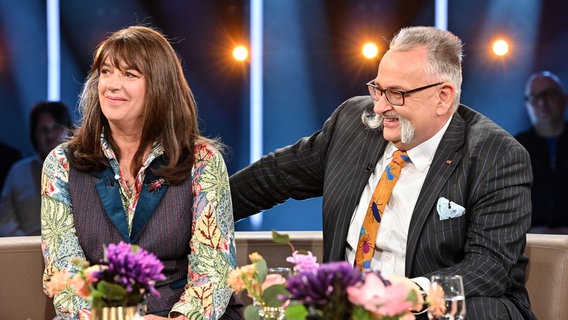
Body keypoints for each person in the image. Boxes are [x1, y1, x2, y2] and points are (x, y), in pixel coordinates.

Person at [230, 26, 536, 319]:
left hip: (435, 309)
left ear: (443, 97)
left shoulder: (495, 156)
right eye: (378, 89)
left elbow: (490, 266)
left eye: (396, 94)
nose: (379, 107)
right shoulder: (353, 124)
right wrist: (198, 213)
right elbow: (274, 177)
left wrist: (412, 293)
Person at [40, 26, 240, 320]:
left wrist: (179, 318)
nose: (111, 85)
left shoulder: (202, 161)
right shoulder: (62, 164)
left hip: (181, 313)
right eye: (106, 72)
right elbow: (65, 270)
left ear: (160, 85)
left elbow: (213, 268)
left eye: (129, 75)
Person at [0, 101, 72, 237]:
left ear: (69, 130)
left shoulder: (83, 168)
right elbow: (5, 223)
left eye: (56, 128)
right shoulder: (18, 172)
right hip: (26, 252)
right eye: (43, 130)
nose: (50, 135)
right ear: (34, 135)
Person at [515, 71, 568, 234]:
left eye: (549, 94)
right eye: (534, 97)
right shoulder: (514, 148)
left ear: (564, 98)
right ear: (527, 105)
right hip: (532, 245)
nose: (542, 103)